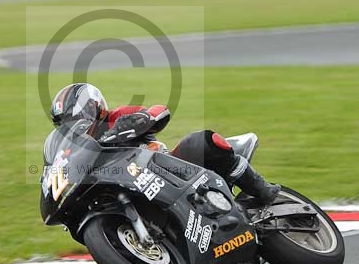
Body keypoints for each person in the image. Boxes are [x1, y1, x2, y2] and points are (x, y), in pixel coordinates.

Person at [45, 83, 280, 205]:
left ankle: (263, 190)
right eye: (65, 121)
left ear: (93, 105)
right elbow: (55, 168)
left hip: (168, 168)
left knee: (203, 141)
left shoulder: (117, 116)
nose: (73, 123)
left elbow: (157, 112)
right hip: (122, 185)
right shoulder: (74, 150)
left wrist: (143, 120)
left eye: (76, 115)